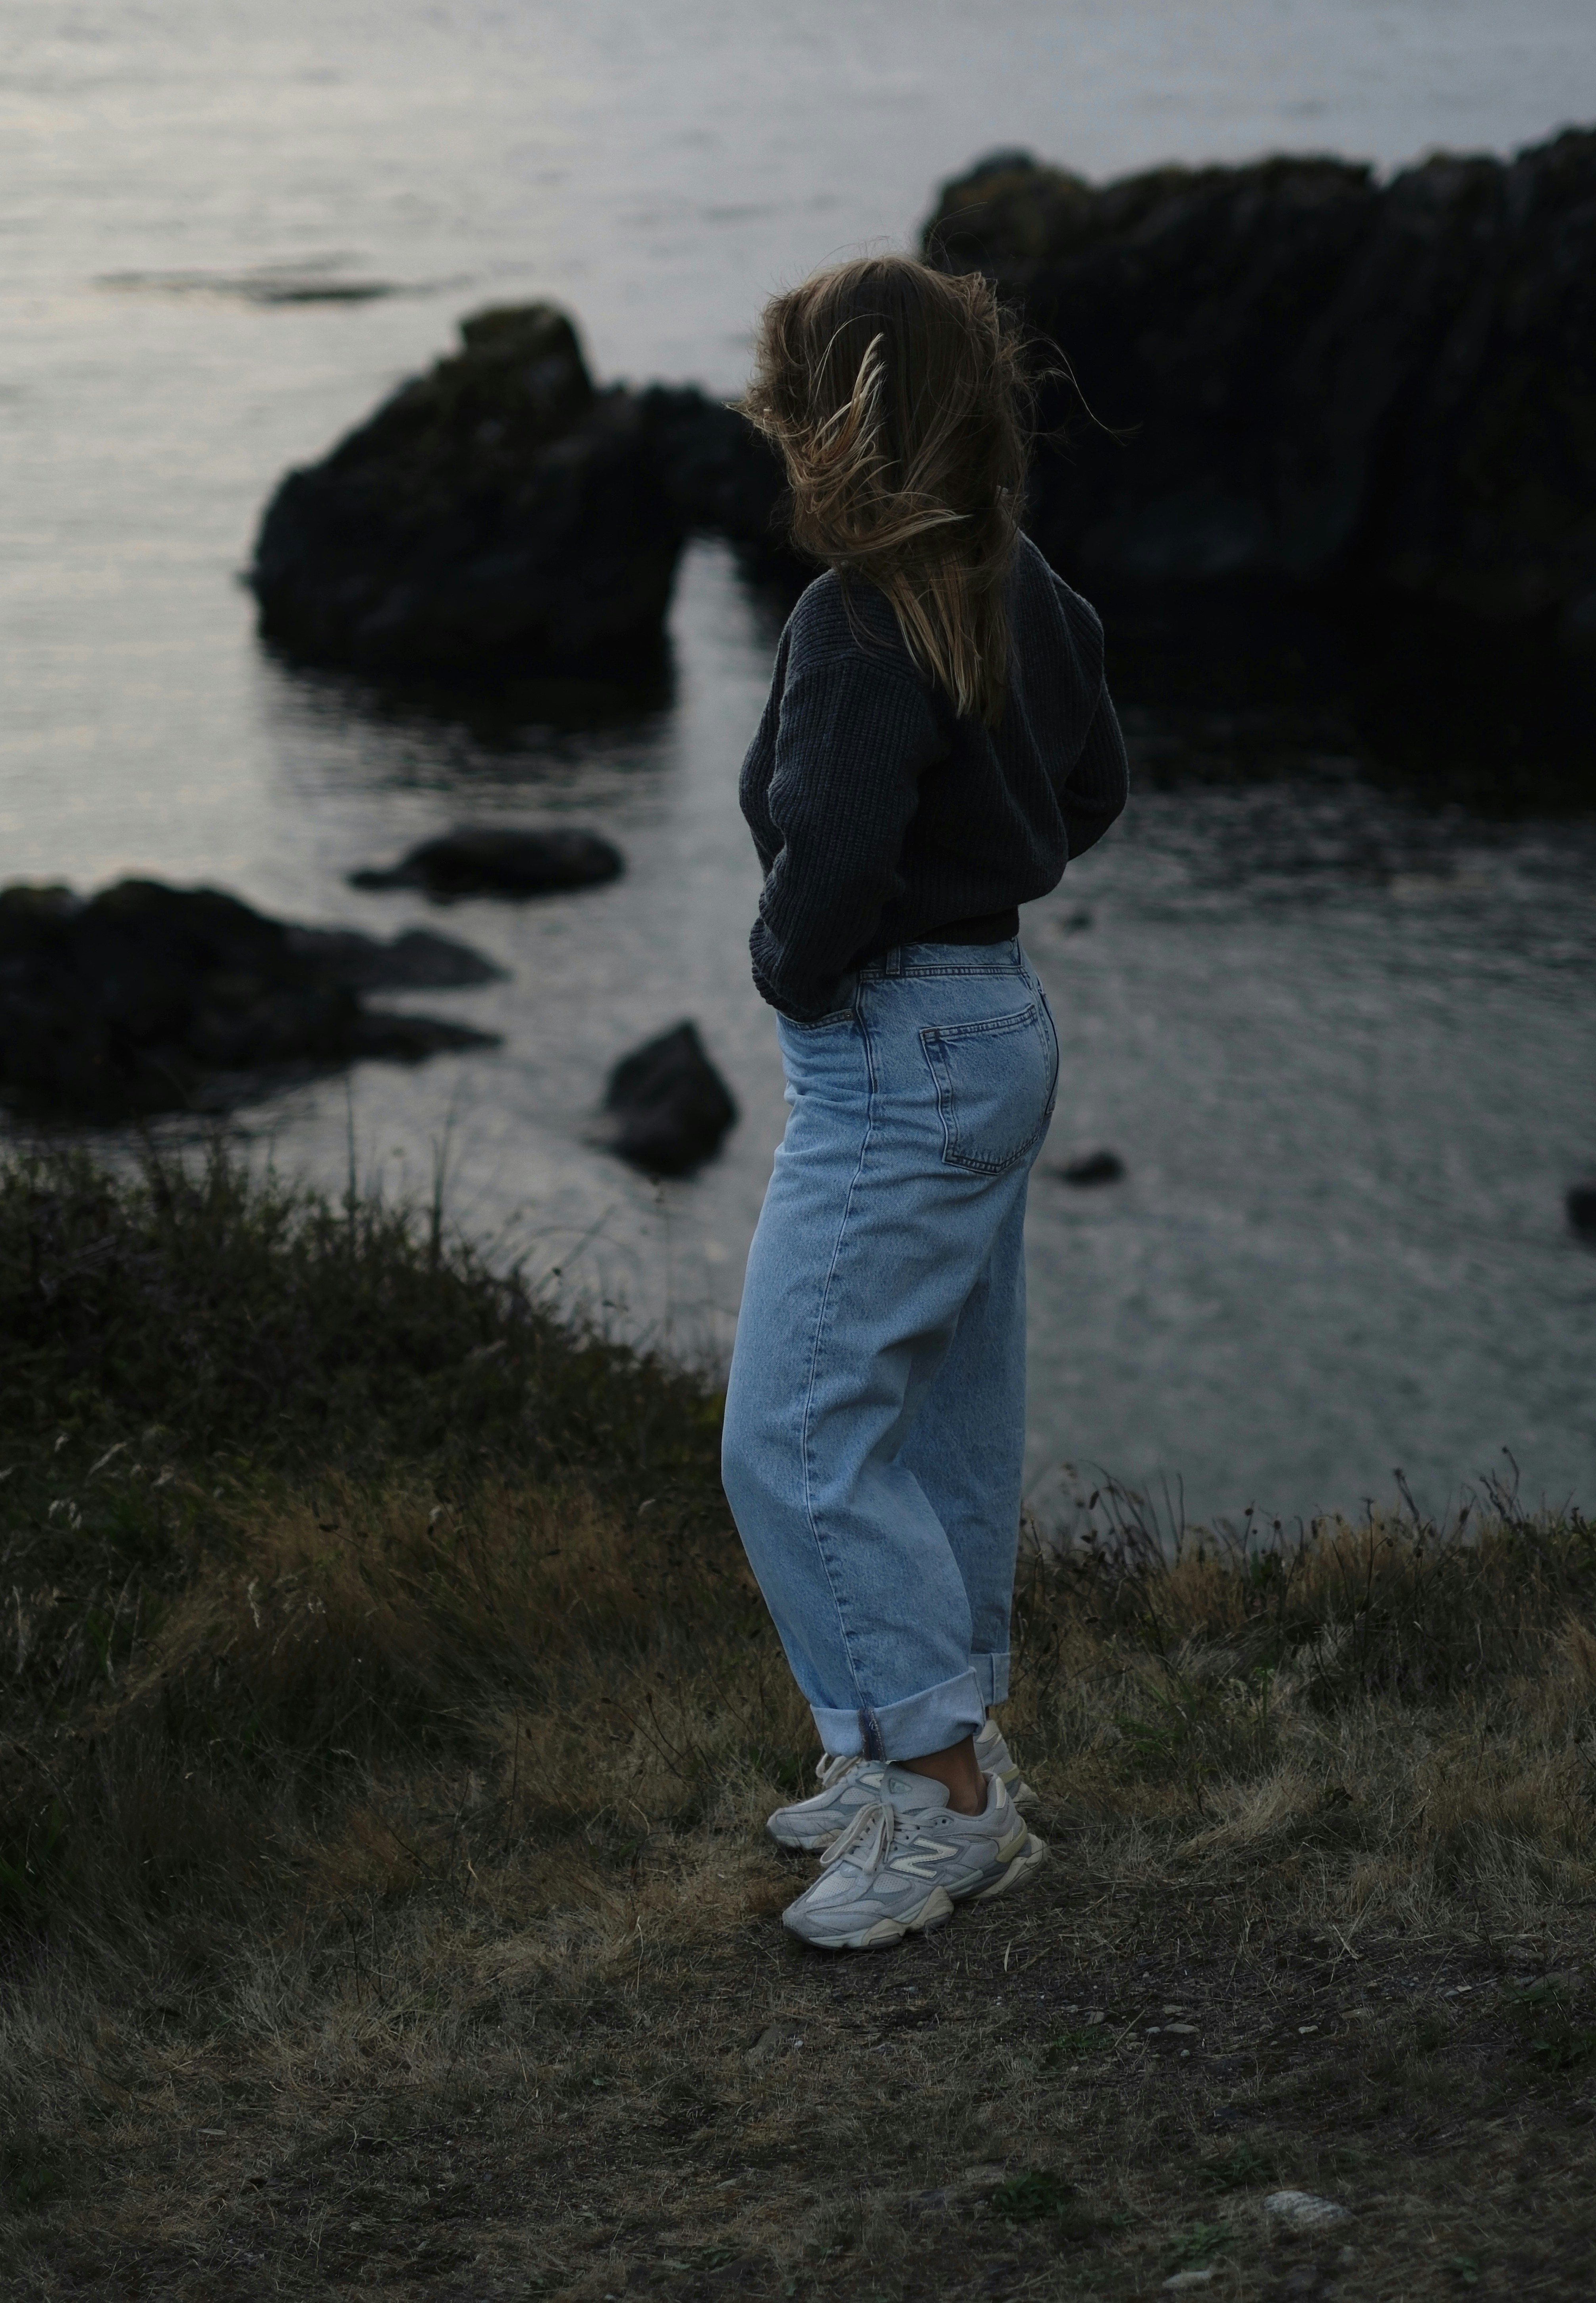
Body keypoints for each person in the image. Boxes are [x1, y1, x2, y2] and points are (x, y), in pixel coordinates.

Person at [721, 255, 1129, 1952]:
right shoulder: (1018, 576)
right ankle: (913, 1741)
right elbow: (1090, 784)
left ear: (839, 425)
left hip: (899, 1046)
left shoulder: (855, 617)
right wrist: (986, 863)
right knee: (941, 1415)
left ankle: (945, 1796)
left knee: (796, 1434)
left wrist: (787, 965)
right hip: (996, 1020)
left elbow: (826, 869)